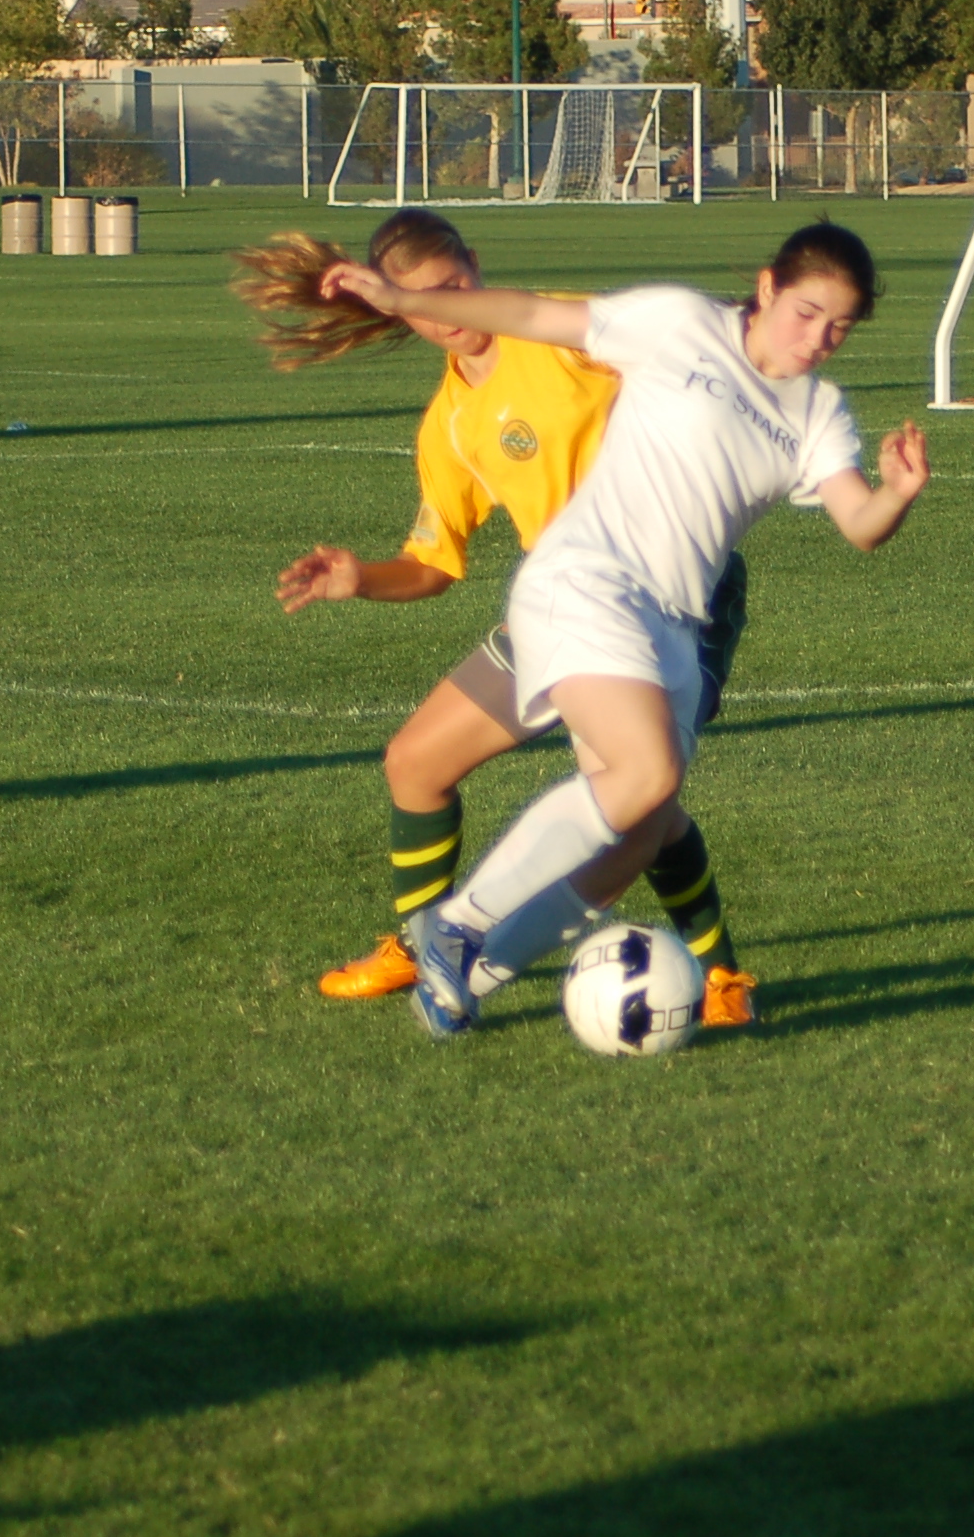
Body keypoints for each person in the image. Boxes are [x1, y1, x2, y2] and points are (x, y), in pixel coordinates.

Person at [315, 220, 931, 1039]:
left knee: (641, 825)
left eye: (840, 327)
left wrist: (895, 495)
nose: (817, 339)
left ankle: (468, 980)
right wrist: (395, 299)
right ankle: (452, 928)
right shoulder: (680, 323)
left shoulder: (820, 412)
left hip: (677, 621)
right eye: (806, 313)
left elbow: (859, 522)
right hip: (586, 581)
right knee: (639, 773)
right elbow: (529, 314)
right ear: (767, 288)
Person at [235, 211, 763, 1028]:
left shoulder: (555, 333)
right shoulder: (450, 423)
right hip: (564, 605)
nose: (447, 309)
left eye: (454, 285)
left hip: (670, 596)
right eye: (424, 299)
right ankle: (424, 947)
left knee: (638, 807)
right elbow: (432, 565)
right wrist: (361, 579)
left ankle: (721, 977)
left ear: (476, 268)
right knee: (414, 762)